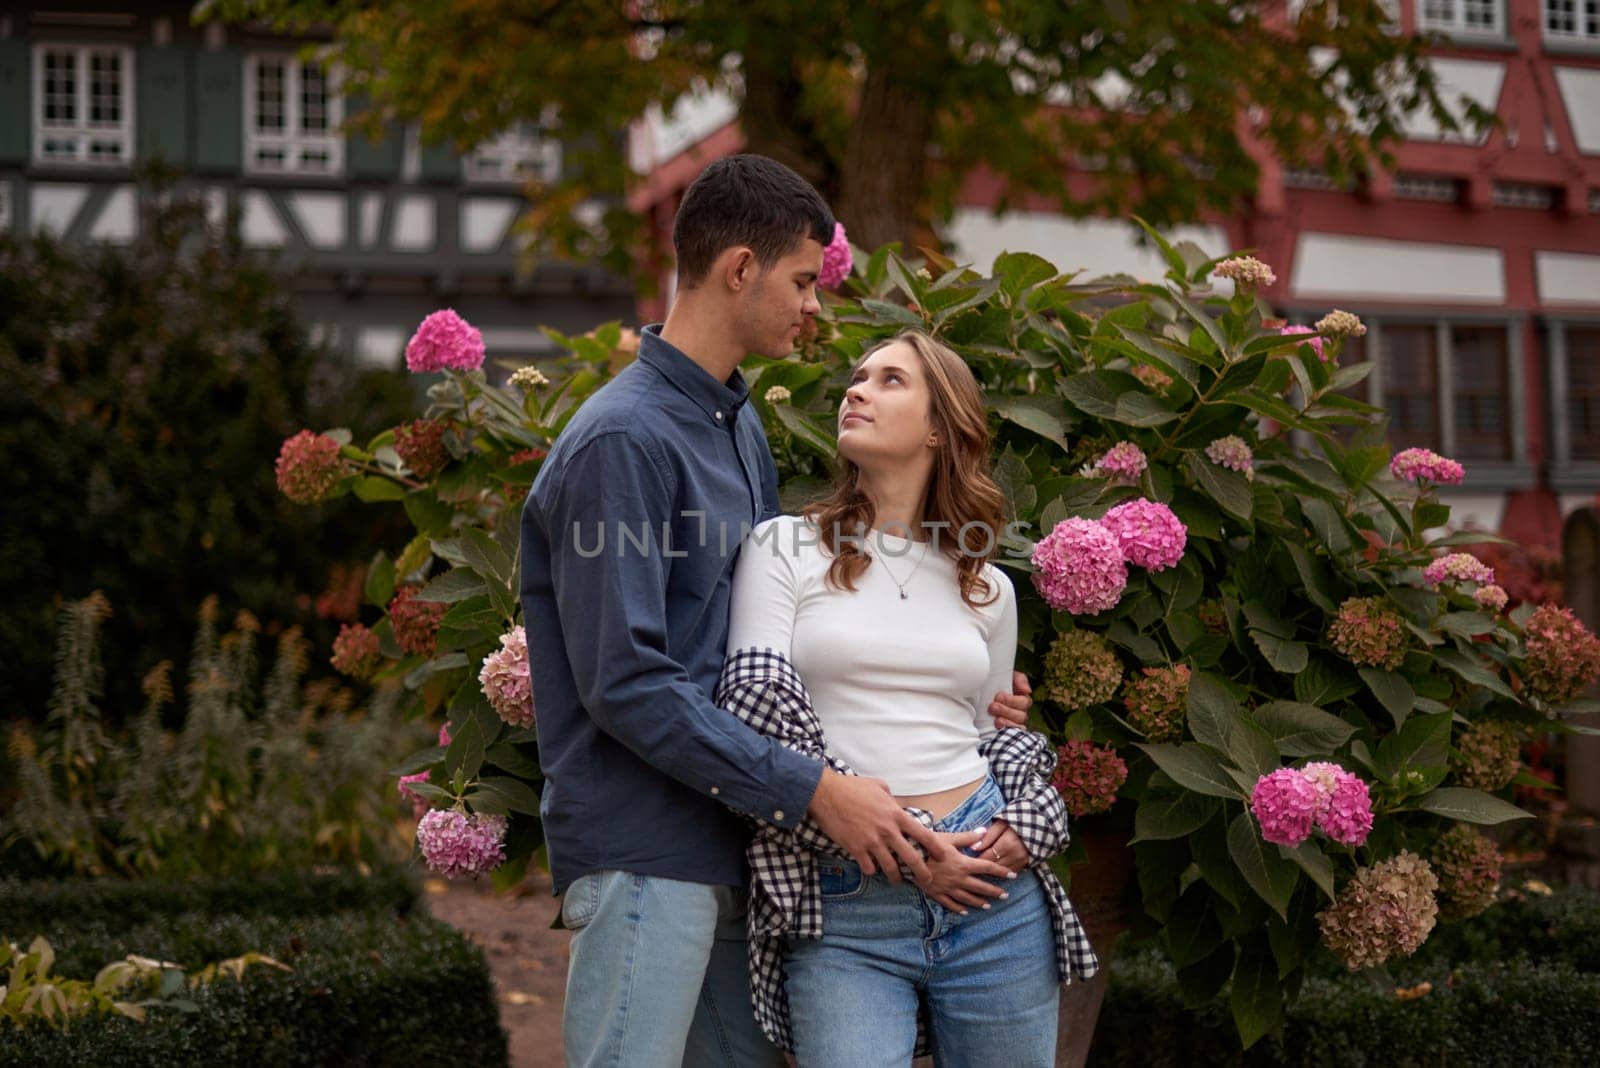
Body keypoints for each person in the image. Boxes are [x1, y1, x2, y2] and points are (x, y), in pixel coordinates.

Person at [518, 155, 1034, 1068]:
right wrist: (815, 790)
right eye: (802, 280)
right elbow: (627, 681)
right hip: (646, 855)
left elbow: (775, 650)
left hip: (735, 847)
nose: (814, 306)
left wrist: (956, 686)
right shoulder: (622, 441)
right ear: (740, 269)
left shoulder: (733, 426)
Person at [717, 330, 1100, 1065]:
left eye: (890, 380)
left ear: (937, 426)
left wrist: (1024, 824)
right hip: (844, 898)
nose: (856, 390)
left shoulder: (987, 586)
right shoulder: (784, 547)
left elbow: (995, 736)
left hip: (991, 884)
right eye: (857, 377)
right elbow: (752, 709)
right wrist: (911, 850)